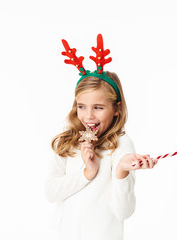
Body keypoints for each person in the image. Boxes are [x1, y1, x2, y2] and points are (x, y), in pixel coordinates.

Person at [44, 34, 158, 240]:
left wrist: (121, 171)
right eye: (81, 107)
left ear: (116, 109)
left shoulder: (121, 144)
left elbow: (124, 212)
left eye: (98, 107)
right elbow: (51, 192)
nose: (88, 116)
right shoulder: (66, 142)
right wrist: (87, 173)